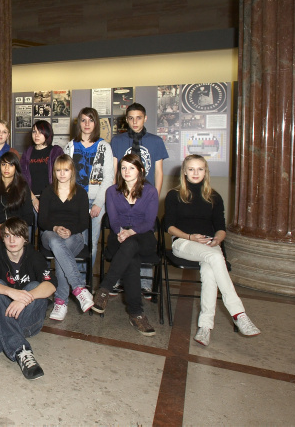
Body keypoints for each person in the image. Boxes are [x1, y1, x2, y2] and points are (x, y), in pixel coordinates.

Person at [164, 155, 261, 345]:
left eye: (200, 169)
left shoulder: (214, 197)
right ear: (184, 171)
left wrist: (218, 239)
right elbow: (168, 226)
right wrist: (190, 237)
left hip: (208, 244)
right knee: (217, 260)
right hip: (183, 242)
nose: (195, 173)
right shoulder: (174, 195)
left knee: (210, 271)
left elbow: (221, 227)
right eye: (191, 169)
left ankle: (205, 327)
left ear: (205, 172)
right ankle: (238, 313)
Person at [0, 218, 55, 380]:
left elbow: (51, 285)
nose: (12, 240)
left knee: (35, 286)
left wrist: (24, 299)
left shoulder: (35, 257)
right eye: (7, 236)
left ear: (25, 238)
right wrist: (10, 292)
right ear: (2, 238)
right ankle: (21, 351)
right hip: (5, 312)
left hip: (30, 322)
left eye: (17, 236)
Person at [91, 154, 159, 336]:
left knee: (131, 246)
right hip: (118, 236)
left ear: (141, 170)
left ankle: (104, 288)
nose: (127, 172)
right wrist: (122, 231)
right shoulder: (112, 191)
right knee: (131, 257)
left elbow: (149, 222)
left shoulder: (151, 192)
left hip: (143, 237)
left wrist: (131, 232)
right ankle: (137, 313)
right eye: (123, 168)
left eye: (131, 167)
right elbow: (113, 220)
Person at [111, 103, 168, 298]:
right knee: (122, 234)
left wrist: (154, 197)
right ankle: (118, 279)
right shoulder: (118, 141)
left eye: (139, 117)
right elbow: (115, 170)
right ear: (126, 120)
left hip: (145, 199)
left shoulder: (156, 141)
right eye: (131, 118)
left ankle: (144, 283)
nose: (135, 122)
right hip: (123, 196)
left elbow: (159, 172)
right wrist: (115, 195)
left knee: (142, 235)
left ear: (145, 118)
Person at [38, 154, 93, 321]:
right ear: (54, 172)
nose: (62, 174)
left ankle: (60, 301)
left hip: (74, 235)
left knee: (62, 251)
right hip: (49, 234)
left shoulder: (81, 193)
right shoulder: (47, 192)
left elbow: (84, 222)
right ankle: (79, 288)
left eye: (66, 170)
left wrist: (70, 230)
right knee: (56, 242)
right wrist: (55, 227)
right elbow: (42, 221)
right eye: (58, 170)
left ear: (72, 171)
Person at [64, 107, 114, 271]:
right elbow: (64, 177)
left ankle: (86, 281)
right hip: (75, 201)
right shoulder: (70, 146)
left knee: (91, 244)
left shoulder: (104, 147)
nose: (87, 124)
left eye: (91, 120)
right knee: (75, 242)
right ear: (79, 123)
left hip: (95, 201)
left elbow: (108, 178)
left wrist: (99, 203)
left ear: (96, 123)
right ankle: (75, 281)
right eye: (83, 120)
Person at [0, 152, 35, 258]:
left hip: (17, 230)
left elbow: (29, 216)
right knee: (5, 244)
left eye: (11, 165)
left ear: (16, 167)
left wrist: (13, 227)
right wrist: (0, 226)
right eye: (3, 164)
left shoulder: (23, 187)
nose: (6, 168)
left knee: (14, 242)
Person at [20, 119, 63, 217]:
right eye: (34, 132)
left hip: (51, 199)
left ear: (47, 133)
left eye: (40, 132)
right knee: (26, 230)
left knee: (48, 231)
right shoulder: (28, 152)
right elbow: (22, 178)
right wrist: (33, 199)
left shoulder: (56, 151)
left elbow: (62, 177)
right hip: (31, 199)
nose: (36, 135)